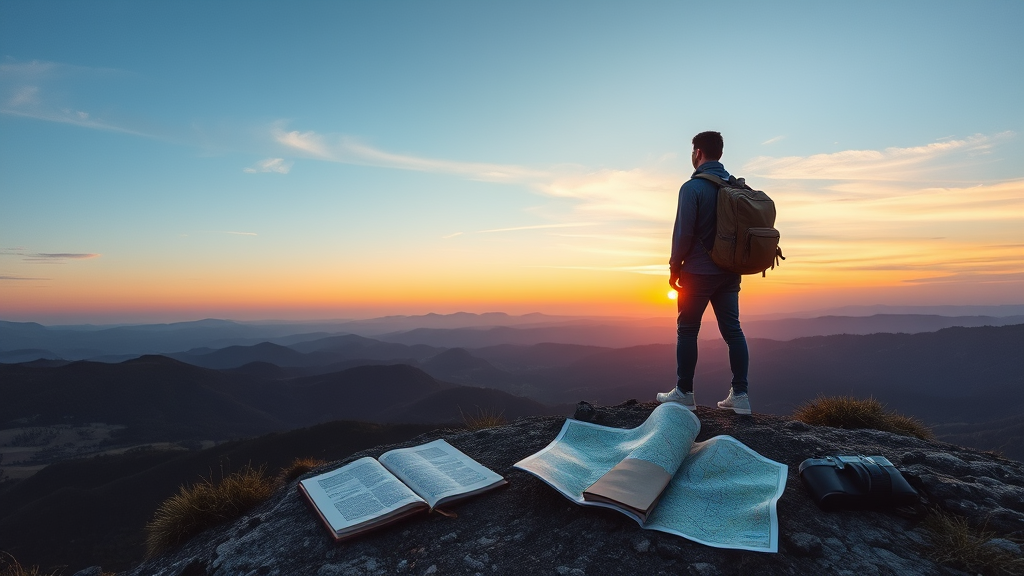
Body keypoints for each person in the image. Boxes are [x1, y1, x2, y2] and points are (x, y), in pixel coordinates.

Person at [656, 131, 751, 414]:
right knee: (733, 331)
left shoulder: (692, 188)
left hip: (697, 272)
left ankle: (684, 392)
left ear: (697, 153)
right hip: (730, 272)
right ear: (719, 153)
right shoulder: (734, 186)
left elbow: (683, 233)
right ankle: (741, 395)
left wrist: (674, 267)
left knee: (687, 330)